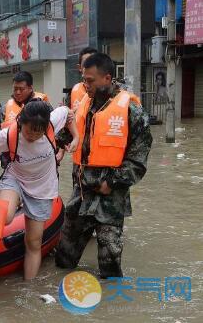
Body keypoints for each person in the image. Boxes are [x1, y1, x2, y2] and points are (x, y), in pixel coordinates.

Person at [55, 53, 152, 279]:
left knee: (109, 266)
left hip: (110, 197)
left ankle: (111, 308)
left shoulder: (131, 110)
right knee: (64, 258)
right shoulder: (82, 103)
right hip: (80, 194)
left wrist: (112, 182)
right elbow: (62, 137)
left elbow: (139, 158)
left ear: (107, 78)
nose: (85, 85)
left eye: (90, 80)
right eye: (83, 79)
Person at [0, 100, 79, 280]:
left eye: (39, 132)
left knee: (34, 242)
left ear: (46, 126)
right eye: (30, 131)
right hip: (16, 179)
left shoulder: (53, 121)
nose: (33, 136)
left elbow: (69, 113)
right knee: (5, 216)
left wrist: (76, 137)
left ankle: (29, 286)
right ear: (21, 122)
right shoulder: (10, 135)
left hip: (43, 187)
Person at [57, 47, 98, 163]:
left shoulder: (114, 95)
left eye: (94, 62)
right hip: (80, 159)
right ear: (80, 68)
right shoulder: (74, 92)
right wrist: (61, 151)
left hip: (105, 161)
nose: (90, 66)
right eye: (86, 63)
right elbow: (68, 123)